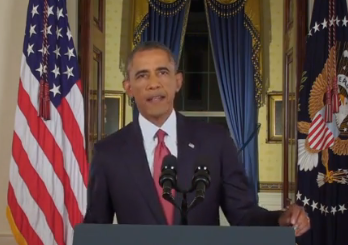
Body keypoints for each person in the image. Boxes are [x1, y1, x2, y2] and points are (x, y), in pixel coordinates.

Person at [83, 41, 310, 237]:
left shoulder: (215, 142)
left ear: (178, 81)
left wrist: (281, 219)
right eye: (142, 75)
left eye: (162, 72)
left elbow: (243, 214)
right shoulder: (108, 153)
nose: (154, 83)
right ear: (129, 88)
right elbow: (96, 230)